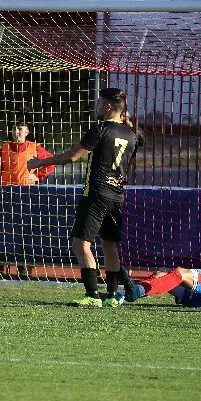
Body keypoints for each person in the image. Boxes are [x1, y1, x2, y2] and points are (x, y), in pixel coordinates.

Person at [28, 87, 142, 307]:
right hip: (117, 196)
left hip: (97, 192)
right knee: (110, 246)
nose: (96, 106)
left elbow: (73, 156)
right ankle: (111, 296)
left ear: (108, 106)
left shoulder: (100, 129)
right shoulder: (131, 134)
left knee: (80, 243)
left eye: (100, 103)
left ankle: (92, 294)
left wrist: (40, 162)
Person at [0, 120, 55, 278]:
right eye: (15, 129)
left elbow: (51, 163)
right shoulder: (3, 149)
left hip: (26, 194)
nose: (17, 132)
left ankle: (23, 266)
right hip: (6, 194)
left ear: (27, 132)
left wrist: (38, 176)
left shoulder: (35, 148)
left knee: (24, 231)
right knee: (1, 230)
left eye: (20, 130)